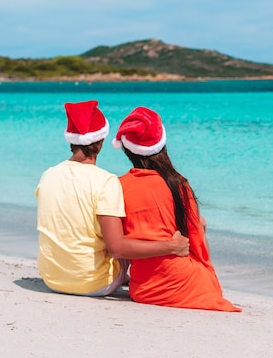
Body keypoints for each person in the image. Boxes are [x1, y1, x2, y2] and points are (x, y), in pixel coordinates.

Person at [36, 100, 189, 297]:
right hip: (92, 284)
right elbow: (117, 248)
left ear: (71, 141)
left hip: (52, 278)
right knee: (125, 229)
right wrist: (172, 246)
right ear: (100, 141)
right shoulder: (106, 181)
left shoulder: (48, 175)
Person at [112, 106, 241, 312]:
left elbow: (118, 241)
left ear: (126, 149)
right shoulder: (178, 184)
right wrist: (209, 278)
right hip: (181, 282)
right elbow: (196, 243)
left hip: (143, 288)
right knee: (199, 224)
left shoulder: (119, 185)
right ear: (161, 144)